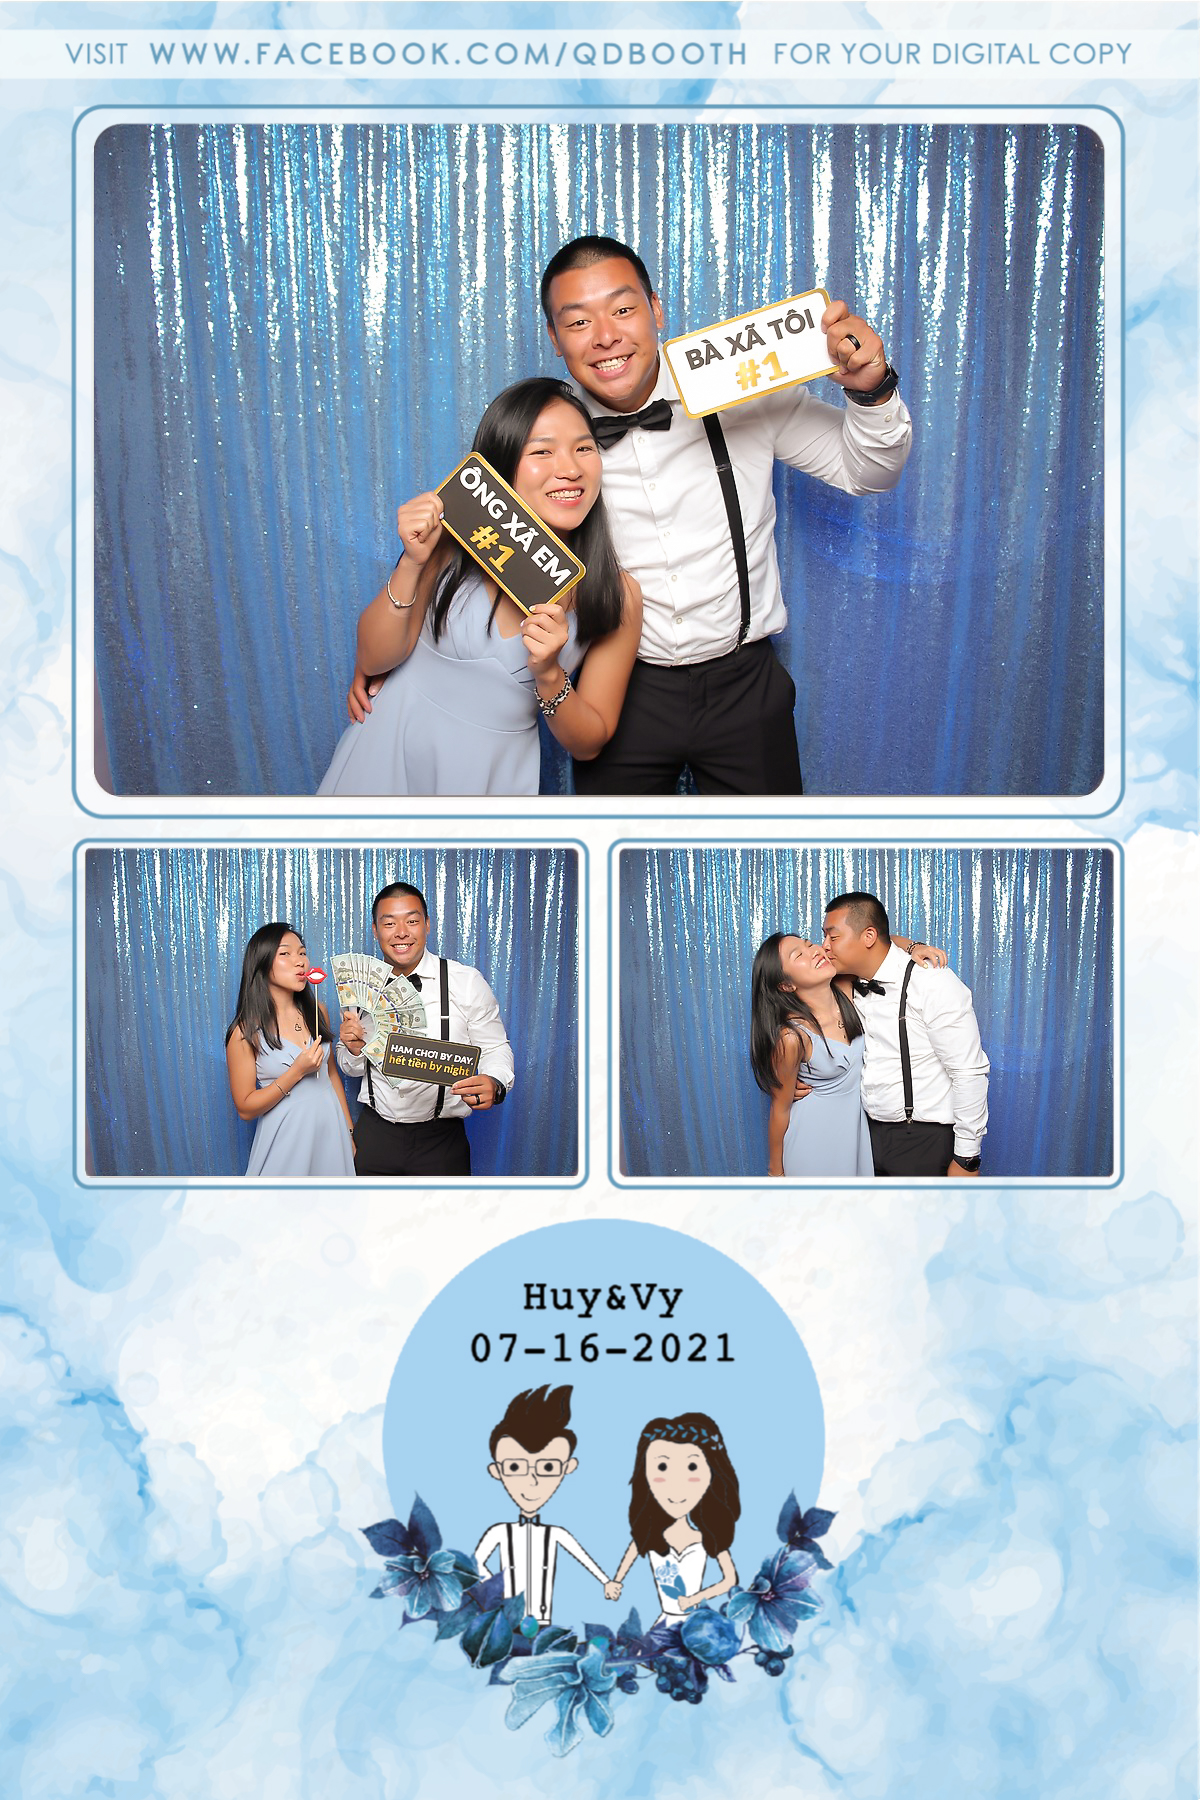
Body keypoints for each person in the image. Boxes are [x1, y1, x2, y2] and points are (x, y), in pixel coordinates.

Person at [538, 234, 914, 795]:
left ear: (655, 309)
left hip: (744, 684)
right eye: (577, 322)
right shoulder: (543, 432)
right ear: (554, 338)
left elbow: (868, 472)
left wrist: (871, 391)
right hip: (615, 688)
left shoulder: (740, 383)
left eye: (622, 310)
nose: (605, 336)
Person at [322, 377, 642, 795]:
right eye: (542, 451)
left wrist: (549, 674)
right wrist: (412, 564)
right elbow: (374, 659)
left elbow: (589, 743)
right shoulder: (452, 534)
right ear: (501, 463)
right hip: (389, 751)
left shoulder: (617, 594)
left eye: (584, 449)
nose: (570, 469)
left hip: (494, 777)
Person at [335, 880, 515, 1178]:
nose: (401, 932)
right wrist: (353, 1051)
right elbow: (350, 1068)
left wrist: (495, 1082)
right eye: (389, 923)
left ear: (427, 925)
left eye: (412, 921)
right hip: (375, 1136)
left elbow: (495, 1047)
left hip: (441, 1141)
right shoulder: (361, 987)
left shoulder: (466, 981)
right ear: (375, 930)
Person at [751, 928, 947, 1177]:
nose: (813, 951)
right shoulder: (791, 1037)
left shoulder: (845, 990)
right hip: (811, 1145)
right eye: (798, 955)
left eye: (809, 944)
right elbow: (780, 1110)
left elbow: (875, 943)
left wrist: (914, 947)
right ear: (786, 985)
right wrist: (776, 1175)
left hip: (854, 1141)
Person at [821, 891, 989, 1178]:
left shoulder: (931, 981)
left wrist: (967, 1157)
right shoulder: (847, 981)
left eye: (832, 937)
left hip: (924, 1140)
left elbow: (968, 1071)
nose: (824, 946)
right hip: (866, 1136)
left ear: (869, 936)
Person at [474, 1385, 620, 1626]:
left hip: (542, 1620)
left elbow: (581, 1555)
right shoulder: (500, 1532)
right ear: (496, 1471)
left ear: (568, 1467)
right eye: (515, 1467)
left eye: (548, 1467)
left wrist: (606, 1581)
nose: (532, 1481)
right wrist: (495, 1590)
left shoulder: (556, 1533)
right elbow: (476, 1562)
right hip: (507, 1619)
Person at [225, 922, 355, 1178]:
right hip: (285, 1139)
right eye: (285, 953)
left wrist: (348, 1131)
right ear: (261, 962)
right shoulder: (245, 1032)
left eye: (302, 953)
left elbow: (330, 1075)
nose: (300, 962)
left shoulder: (318, 1012)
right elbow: (245, 1108)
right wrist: (296, 1072)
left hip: (331, 1133)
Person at [610, 1413, 740, 1624]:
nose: (677, 1484)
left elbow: (730, 1580)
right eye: (662, 1467)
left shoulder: (707, 1537)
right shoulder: (650, 1535)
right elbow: (629, 1558)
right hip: (664, 1622)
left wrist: (694, 1599)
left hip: (694, 1623)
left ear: (712, 1475)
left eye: (692, 1467)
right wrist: (615, 1582)